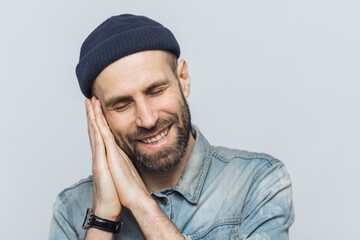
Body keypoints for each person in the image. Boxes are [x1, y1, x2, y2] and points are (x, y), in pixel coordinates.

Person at [49, 14, 295, 240]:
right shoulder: (72, 208)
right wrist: (103, 218)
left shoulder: (258, 181)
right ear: (98, 115)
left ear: (183, 79)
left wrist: (140, 202)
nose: (147, 119)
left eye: (156, 91)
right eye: (122, 105)